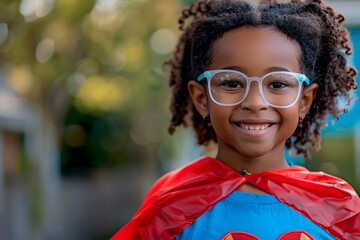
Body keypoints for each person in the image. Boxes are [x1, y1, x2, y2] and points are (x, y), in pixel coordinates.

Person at [111, 0, 360, 239]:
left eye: (278, 83)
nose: (254, 102)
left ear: (304, 101)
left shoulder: (339, 208)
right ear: (201, 98)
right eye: (231, 83)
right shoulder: (170, 205)